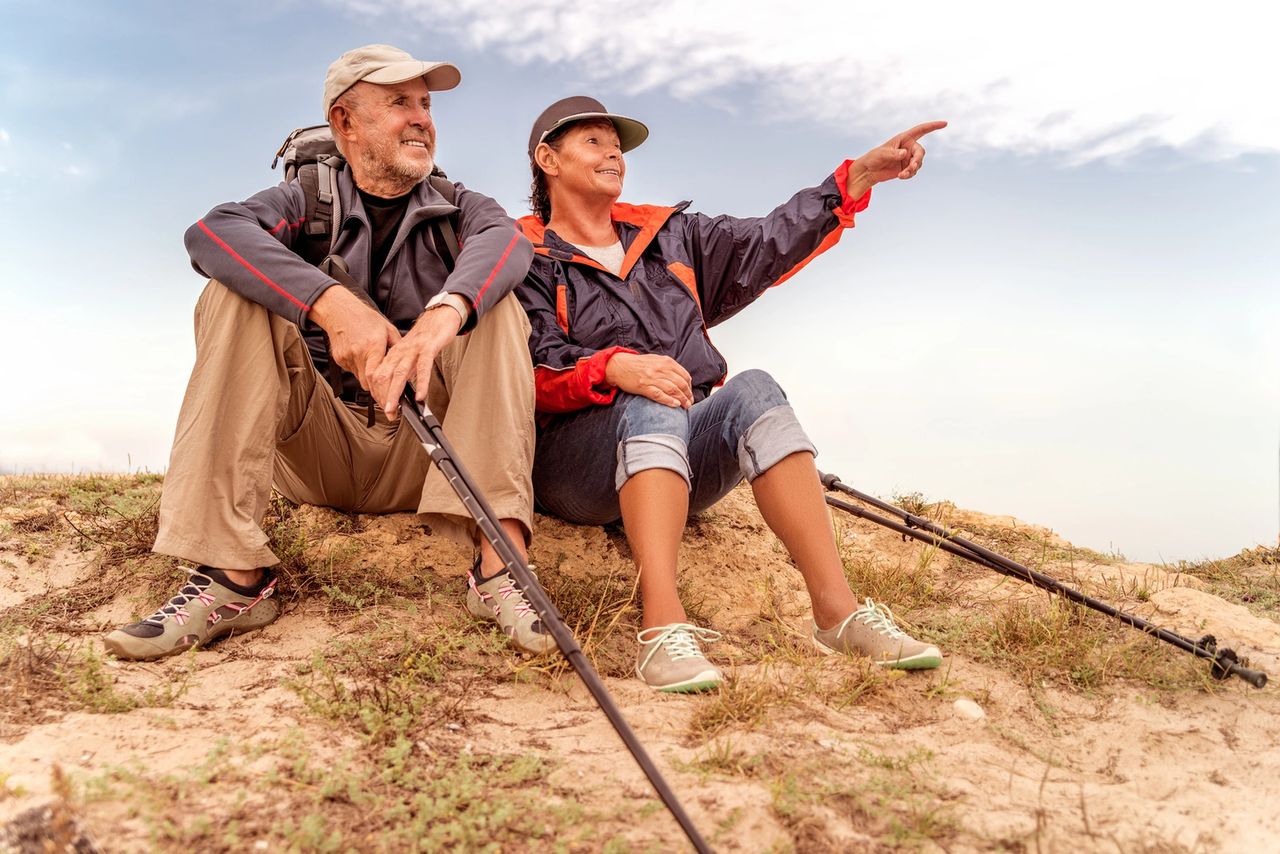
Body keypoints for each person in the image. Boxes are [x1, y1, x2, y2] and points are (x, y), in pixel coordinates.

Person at [105, 45, 554, 661]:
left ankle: (502, 569)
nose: (422, 117)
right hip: (316, 445)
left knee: (495, 307)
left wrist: (440, 317)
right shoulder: (303, 201)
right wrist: (330, 305)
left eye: (426, 104)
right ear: (344, 122)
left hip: (427, 454)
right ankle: (233, 580)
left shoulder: (463, 208)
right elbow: (210, 233)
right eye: (400, 102)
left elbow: (508, 245)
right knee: (231, 294)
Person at [517, 96, 947, 692]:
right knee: (652, 398)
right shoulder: (520, 254)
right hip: (574, 464)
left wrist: (856, 178)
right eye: (593, 141)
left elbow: (768, 241)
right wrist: (614, 369)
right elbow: (524, 369)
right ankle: (662, 632)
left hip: (673, 459)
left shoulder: (670, 236)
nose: (613, 150)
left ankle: (839, 614)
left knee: (754, 389)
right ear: (548, 160)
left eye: (617, 143)